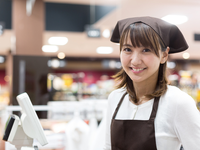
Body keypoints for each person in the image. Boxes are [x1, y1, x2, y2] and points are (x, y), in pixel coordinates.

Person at [104, 16, 200, 150]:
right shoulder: (115, 98)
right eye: (127, 49)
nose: (135, 61)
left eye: (146, 50)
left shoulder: (178, 103)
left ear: (164, 55)